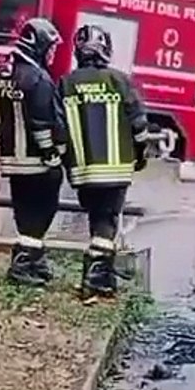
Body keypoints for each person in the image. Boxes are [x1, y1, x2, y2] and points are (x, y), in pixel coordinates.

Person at [57, 24, 152, 298]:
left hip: (83, 171)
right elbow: (140, 124)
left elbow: (58, 126)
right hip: (117, 169)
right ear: (106, 50)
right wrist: (141, 155)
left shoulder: (66, 83)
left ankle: (102, 275)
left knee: (97, 219)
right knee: (106, 223)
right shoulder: (120, 81)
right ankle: (96, 279)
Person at [0, 17, 67, 287]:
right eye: (50, 47)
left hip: (14, 159)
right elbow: (42, 121)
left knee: (25, 212)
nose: (52, 54)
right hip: (36, 160)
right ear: (38, 45)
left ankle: (32, 260)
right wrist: (52, 153)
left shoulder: (6, 73)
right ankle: (25, 264)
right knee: (42, 210)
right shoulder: (38, 79)